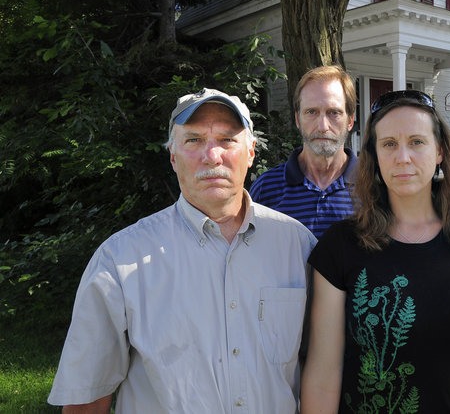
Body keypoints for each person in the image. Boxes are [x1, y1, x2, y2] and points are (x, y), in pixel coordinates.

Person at [48, 88, 316, 414]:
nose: (211, 155)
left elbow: (323, 371)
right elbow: (86, 401)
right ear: (173, 157)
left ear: (250, 153)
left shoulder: (299, 247)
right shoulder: (119, 262)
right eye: (193, 140)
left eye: (227, 140)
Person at [300, 90, 450, 413]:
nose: (403, 157)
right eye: (389, 144)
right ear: (374, 155)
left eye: (417, 142)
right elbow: (323, 372)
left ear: (440, 151)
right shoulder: (340, 247)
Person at [250, 65, 357, 239]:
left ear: (350, 120)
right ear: (297, 119)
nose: (323, 126)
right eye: (311, 112)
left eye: (334, 113)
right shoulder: (265, 190)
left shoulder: (374, 188)